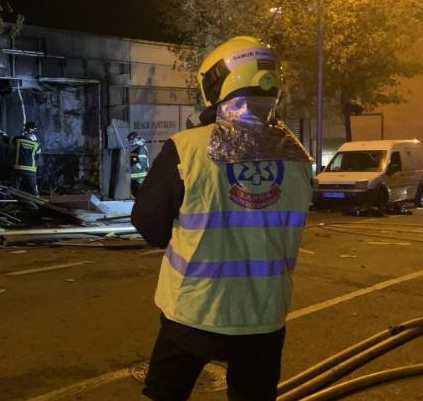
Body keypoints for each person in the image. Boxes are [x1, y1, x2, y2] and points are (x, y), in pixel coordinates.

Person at [132, 36, 314, 401]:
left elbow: (148, 224)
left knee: (165, 392)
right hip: (263, 314)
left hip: (193, 312)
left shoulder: (187, 148)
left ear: (215, 84)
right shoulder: (298, 157)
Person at [2, 121, 41, 196]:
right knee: (33, 190)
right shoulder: (37, 143)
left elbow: (6, 140)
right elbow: (37, 157)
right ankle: (38, 203)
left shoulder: (18, 139)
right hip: (31, 170)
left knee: (14, 188)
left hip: (18, 168)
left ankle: (11, 200)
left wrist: (3, 135)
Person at [127, 131, 150, 197]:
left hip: (139, 178)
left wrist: (130, 169)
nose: (130, 144)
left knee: (138, 197)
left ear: (136, 140)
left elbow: (142, 164)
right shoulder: (138, 148)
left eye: (131, 141)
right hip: (137, 179)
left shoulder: (140, 149)